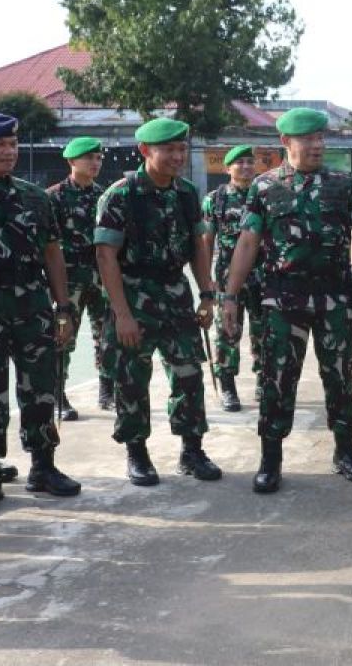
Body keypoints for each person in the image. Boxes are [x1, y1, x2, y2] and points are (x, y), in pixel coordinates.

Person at [221, 108, 352, 493]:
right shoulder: (264, 188)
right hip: (282, 298)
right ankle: (271, 459)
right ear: (286, 143)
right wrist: (229, 295)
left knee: (341, 377)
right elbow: (247, 243)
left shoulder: (343, 185)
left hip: (334, 297)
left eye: (320, 138)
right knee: (277, 379)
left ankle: (345, 452)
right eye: (308, 139)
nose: (317, 145)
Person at [95, 117, 221, 487]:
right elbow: (106, 257)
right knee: (132, 378)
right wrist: (121, 315)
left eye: (182, 149)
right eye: (169, 150)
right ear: (146, 151)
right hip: (133, 295)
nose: (178, 156)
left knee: (188, 374)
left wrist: (207, 294)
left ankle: (191, 450)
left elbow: (198, 246)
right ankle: (137, 453)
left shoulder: (185, 193)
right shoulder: (120, 195)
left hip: (176, 294)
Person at [0, 112, 83, 514]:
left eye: (13, 144)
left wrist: (63, 308)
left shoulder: (34, 197)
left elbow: (52, 254)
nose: (9, 152)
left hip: (31, 308)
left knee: (39, 389)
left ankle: (43, 465)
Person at [47, 136, 112, 417]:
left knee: (107, 335)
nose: (95, 163)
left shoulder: (105, 196)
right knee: (63, 338)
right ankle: (57, 396)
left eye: (98, 158)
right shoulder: (54, 197)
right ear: (72, 161)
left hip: (101, 278)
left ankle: (107, 390)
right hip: (68, 280)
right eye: (89, 158)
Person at [201, 145, 263, 412]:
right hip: (227, 280)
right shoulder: (215, 199)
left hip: (263, 277)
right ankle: (227, 385)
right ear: (228, 169)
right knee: (227, 332)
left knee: (265, 331)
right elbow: (206, 240)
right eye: (240, 163)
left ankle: (264, 379)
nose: (246, 167)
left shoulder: (265, 195)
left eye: (250, 162)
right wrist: (206, 280)